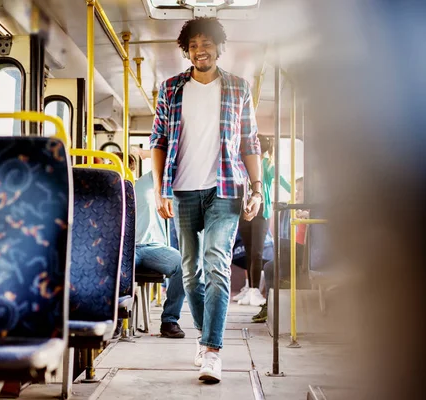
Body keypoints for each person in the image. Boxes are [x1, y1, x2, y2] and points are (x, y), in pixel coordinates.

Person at [149, 16, 262, 383]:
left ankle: (212, 351)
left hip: (225, 190)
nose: (201, 50)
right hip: (181, 191)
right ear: (187, 50)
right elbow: (159, 143)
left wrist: (257, 188)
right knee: (190, 274)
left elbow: (250, 143)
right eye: (194, 45)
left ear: (219, 47)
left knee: (216, 264)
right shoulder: (170, 89)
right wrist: (160, 190)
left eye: (207, 43)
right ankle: (204, 336)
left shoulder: (238, 88)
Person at [114, 152, 186, 338]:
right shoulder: (107, 190)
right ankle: (115, 321)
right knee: (114, 267)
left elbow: (162, 164)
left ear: (132, 168)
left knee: (183, 264)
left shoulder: (145, 183)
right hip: (120, 247)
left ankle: (170, 320)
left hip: (150, 247)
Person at [234, 136, 292, 307]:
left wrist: (291, 200)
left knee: (257, 252)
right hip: (245, 211)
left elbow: (285, 185)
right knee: (249, 252)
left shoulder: (267, 165)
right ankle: (251, 288)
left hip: (262, 211)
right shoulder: (248, 165)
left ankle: (254, 289)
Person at [252, 177, 307, 323]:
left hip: (306, 255)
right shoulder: (297, 210)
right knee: (270, 266)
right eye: (297, 190)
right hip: (298, 251)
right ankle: (270, 305)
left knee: (281, 249)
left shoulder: (311, 212)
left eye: (301, 190)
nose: (297, 193)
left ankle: (279, 295)